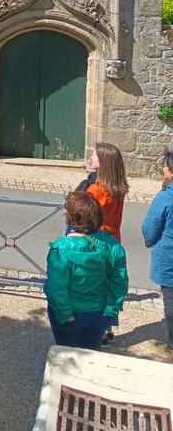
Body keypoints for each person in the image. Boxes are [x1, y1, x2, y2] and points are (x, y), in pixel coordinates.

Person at [44, 191, 129, 352]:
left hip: (70, 313)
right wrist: (111, 309)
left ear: (72, 218)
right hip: (98, 312)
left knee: (67, 357)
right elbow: (120, 282)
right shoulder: (112, 245)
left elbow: (56, 288)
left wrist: (64, 314)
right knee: (91, 356)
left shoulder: (61, 249)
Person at [84, 142, 129, 343]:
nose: (91, 157)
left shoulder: (96, 190)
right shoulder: (118, 187)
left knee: (94, 288)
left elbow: (83, 216)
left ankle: (99, 330)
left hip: (96, 242)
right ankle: (106, 328)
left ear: (103, 162)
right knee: (108, 287)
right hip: (113, 242)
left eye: (94, 155)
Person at [142, 151, 173, 358]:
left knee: (171, 303)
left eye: (165, 165)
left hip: (170, 259)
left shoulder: (166, 197)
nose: (162, 168)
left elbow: (151, 227)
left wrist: (149, 241)